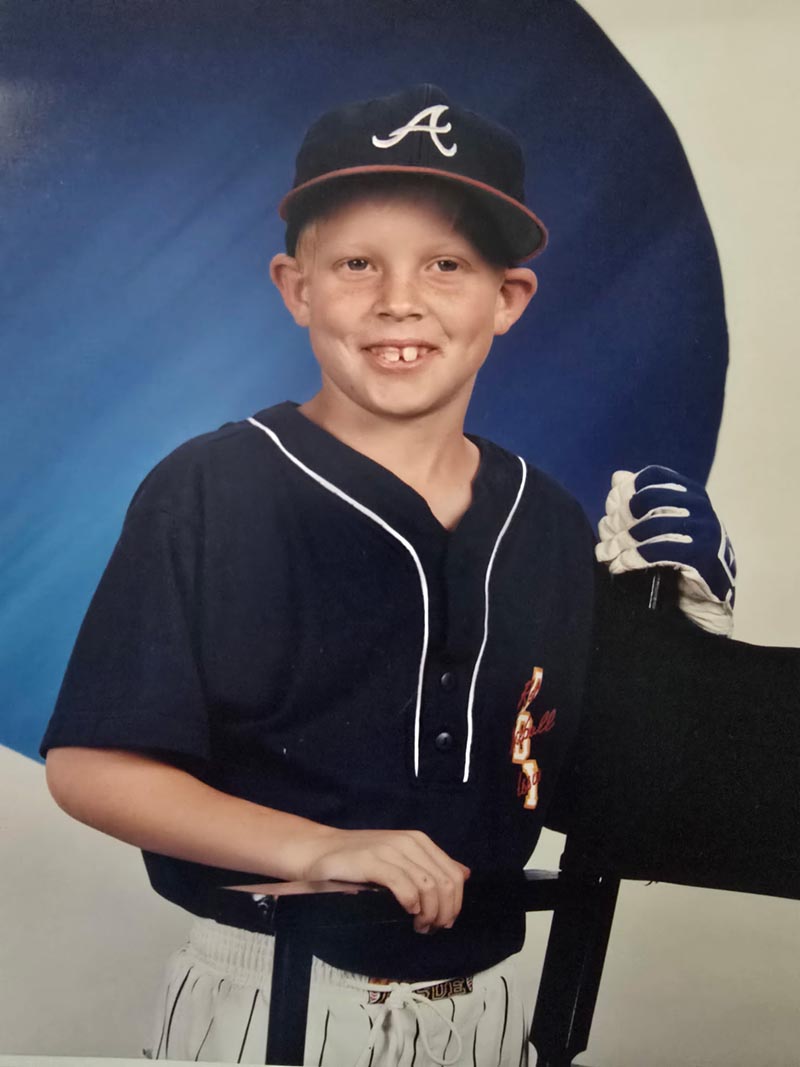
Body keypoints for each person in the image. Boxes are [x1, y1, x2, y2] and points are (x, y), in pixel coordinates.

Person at [41, 85, 735, 1065]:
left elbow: (583, 778)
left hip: (489, 1008)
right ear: (296, 285)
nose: (396, 300)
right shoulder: (213, 485)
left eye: (445, 264)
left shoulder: (544, 520)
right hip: (268, 993)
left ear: (506, 298)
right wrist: (317, 845)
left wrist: (674, 634)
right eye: (356, 262)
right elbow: (91, 763)